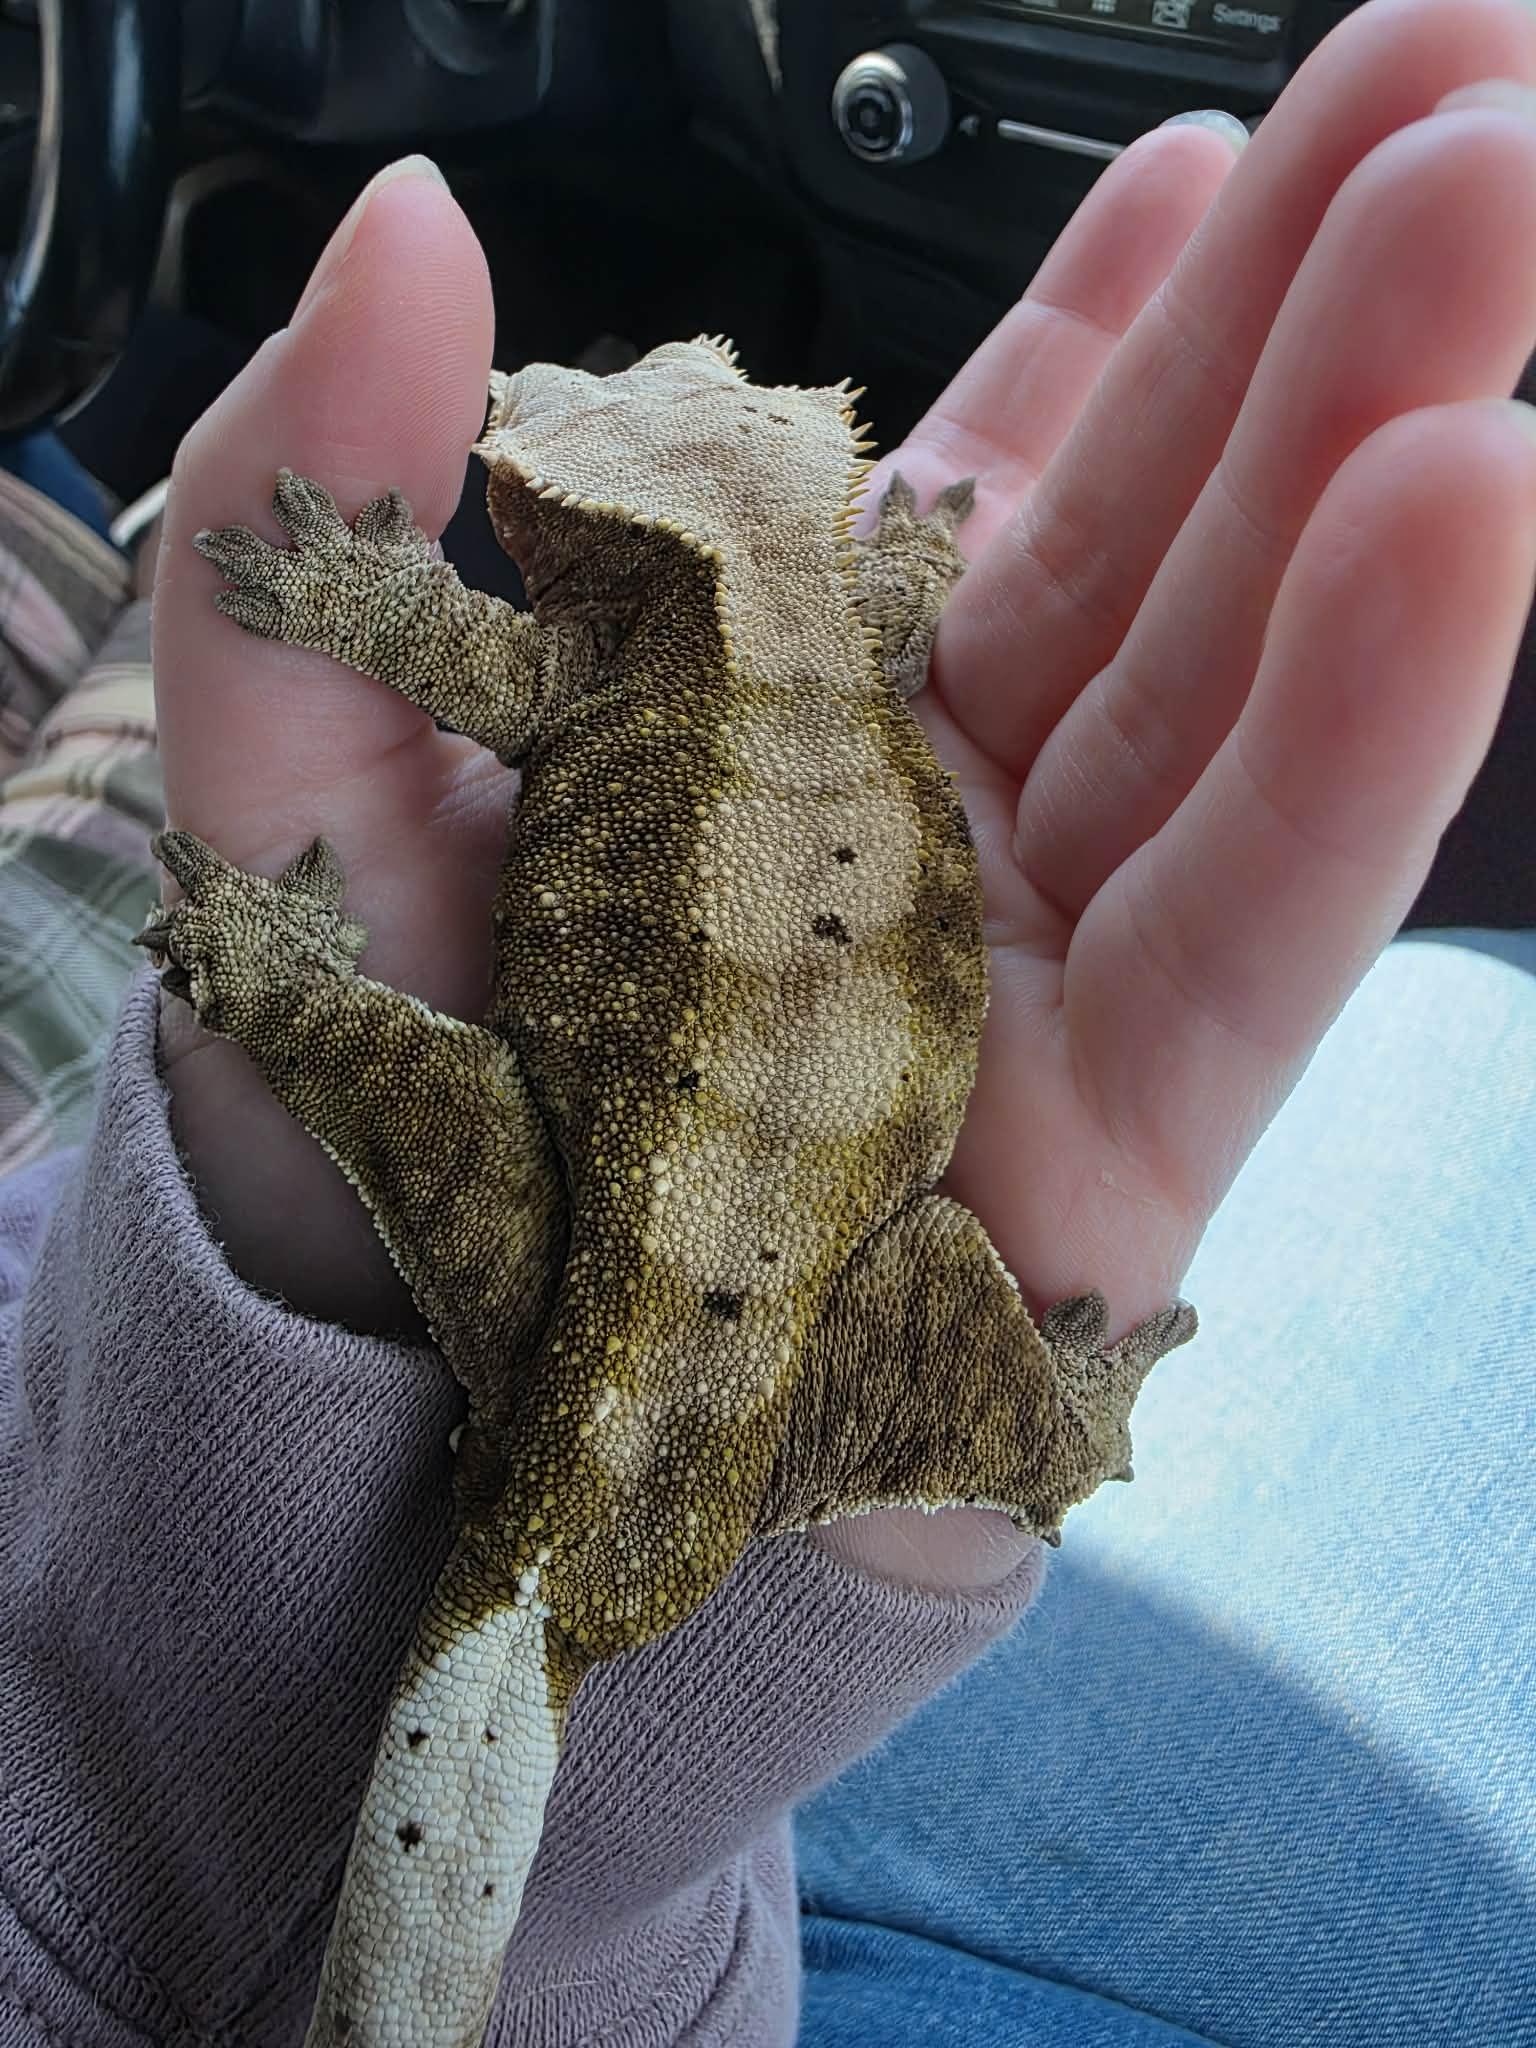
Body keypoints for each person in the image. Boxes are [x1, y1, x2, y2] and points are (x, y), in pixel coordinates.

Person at [2, 0, 1533, 2039]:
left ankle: (1002, 1411)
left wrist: (346, 620)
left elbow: (396, 615)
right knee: (1471, 1039)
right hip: (736, 1411)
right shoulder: (845, 609)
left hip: (642, 1391)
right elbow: (886, 589)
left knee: (391, 1065)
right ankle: (1031, 1423)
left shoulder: (587, 676)